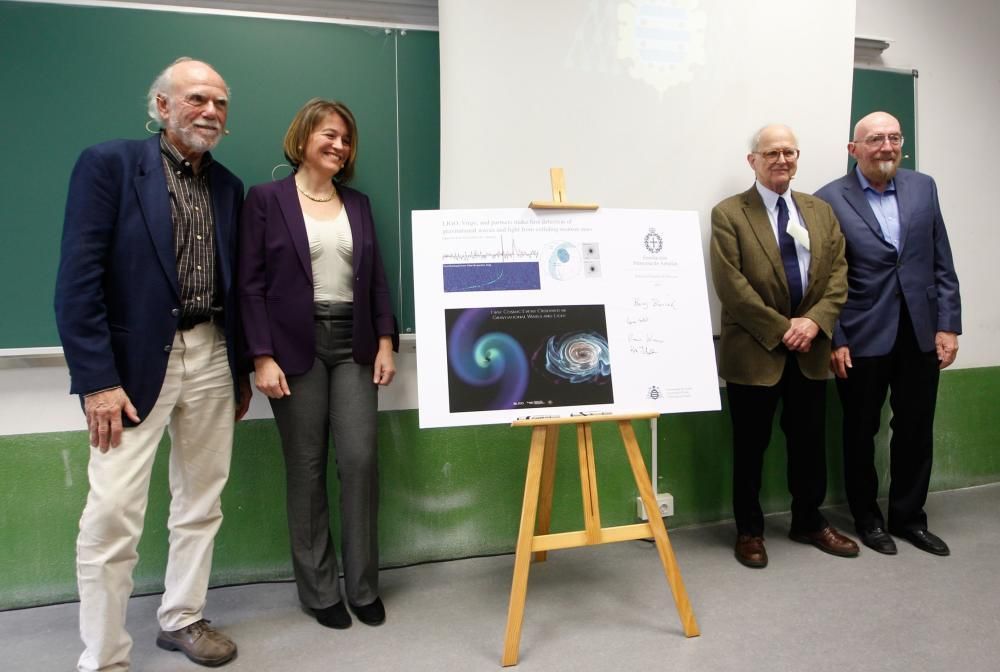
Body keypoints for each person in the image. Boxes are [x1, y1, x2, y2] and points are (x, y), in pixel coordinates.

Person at [54, 57, 251, 670]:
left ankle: (183, 617)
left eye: (220, 102)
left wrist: (239, 369)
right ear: (162, 106)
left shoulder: (229, 187)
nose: (211, 112)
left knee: (202, 499)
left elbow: (237, 285)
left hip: (214, 354)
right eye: (196, 99)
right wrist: (98, 383)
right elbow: (77, 281)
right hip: (132, 369)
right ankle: (105, 653)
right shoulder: (110, 165)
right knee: (112, 510)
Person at [239, 98, 398, 629]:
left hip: (352, 341)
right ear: (304, 136)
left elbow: (376, 279)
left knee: (359, 462)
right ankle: (319, 591)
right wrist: (261, 356)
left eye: (346, 139)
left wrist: (384, 341)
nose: (339, 146)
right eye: (330, 135)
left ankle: (363, 585)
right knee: (305, 470)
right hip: (292, 347)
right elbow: (251, 285)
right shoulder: (266, 200)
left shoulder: (359, 203)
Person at [710, 124, 859, 568]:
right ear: (752, 160)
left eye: (789, 152)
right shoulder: (729, 213)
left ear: (797, 157)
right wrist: (782, 329)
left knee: (809, 445)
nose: (781, 160)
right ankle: (750, 531)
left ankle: (809, 521)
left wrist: (813, 323)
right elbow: (731, 286)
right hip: (755, 353)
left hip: (810, 352)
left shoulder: (819, 211)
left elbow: (838, 275)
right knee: (750, 448)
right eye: (771, 152)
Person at [815, 111, 961, 557]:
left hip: (919, 331)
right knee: (860, 432)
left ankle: (909, 517)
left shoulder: (923, 186)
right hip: (861, 334)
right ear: (853, 149)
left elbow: (941, 259)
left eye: (894, 138)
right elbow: (824, 278)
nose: (887, 147)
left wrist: (948, 325)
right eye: (876, 139)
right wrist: (836, 337)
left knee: (916, 429)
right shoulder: (828, 200)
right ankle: (867, 519)